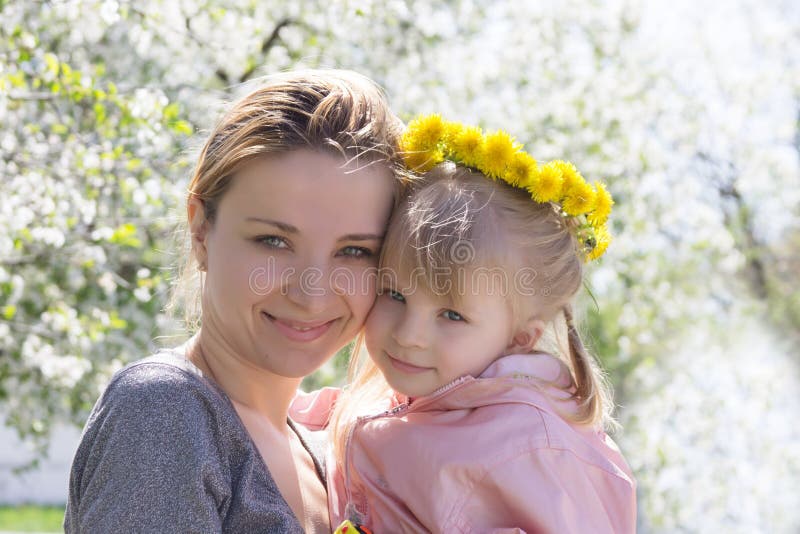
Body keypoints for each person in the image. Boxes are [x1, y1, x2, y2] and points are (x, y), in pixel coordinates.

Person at [64, 69, 406, 533]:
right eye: (273, 241)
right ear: (201, 228)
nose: (312, 293)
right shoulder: (165, 413)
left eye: (354, 251)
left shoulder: (328, 453)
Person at [292, 115, 636, 532]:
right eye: (395, 294)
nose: (408, 335)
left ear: (520, 338)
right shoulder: (423, 391)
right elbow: (346, 419)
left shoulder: (526, 450)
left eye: (452, 315)